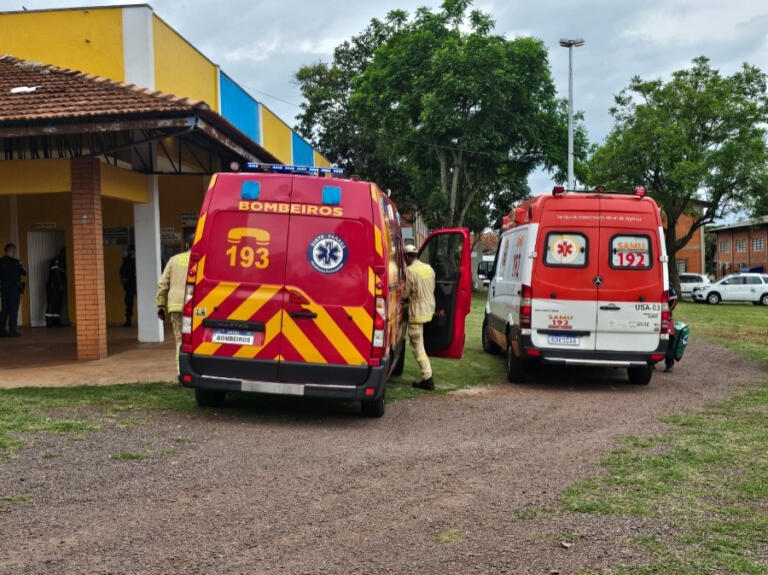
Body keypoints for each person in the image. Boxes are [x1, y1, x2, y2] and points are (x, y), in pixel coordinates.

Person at [403, 243, 436, 390]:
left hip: (417, 312)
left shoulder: (409, 271)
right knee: (421, 343)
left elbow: (405, 294)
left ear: (407, 257)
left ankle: (427, 378)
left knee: (417, 347)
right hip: (429, 309)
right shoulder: (428, 268)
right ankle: (427, 376)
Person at [157, 236, 192, 370]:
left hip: (175, 305)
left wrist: (160, 306)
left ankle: (180, 371)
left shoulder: (174, 260)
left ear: (187, 245)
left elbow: (162, 284)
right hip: (194, 306)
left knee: (180, 340)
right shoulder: (201, 260)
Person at [0, 243, 27, 337]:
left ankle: (1, 330)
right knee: (13, 309)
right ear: (12, 250)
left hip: (3, 288)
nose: (15, 252)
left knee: (4, 309)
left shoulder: (0, 261)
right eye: (14, 250)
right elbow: (24, 272)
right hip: (14, 288)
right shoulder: (16, 262)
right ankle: (12, 331)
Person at [45, 247, 67, 327]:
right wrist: (60, 282)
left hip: (59, 285)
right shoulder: (56, 260)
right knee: (52, 302)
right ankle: (49, 322)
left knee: (58, 303)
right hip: (53, 284)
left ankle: (56, 321)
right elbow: (56, 272)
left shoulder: (64, 260)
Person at [119, 245, 137, 327]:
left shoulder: (139, 259)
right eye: (131, 251)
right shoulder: (127, 261)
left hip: (139, 284)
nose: (132, 253)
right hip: (130, 284)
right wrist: (123, 280)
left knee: (144, 302)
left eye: (133, 251)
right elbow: (122, 271)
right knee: (128, 303)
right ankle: (128, 321)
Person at [664, 285, 679, 372]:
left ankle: (669, 363)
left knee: (669, 338)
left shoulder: (668, 285)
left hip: (666, 316)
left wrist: (668, 311)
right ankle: (651, 362)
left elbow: (674, 299)